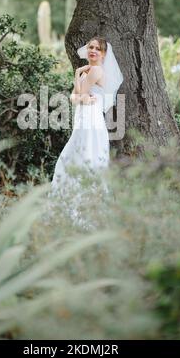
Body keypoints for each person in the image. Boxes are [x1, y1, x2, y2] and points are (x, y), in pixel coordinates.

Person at [44, 37, 124, 231]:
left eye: (98, 49)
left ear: (103, 54)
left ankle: (83, 212)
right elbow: (74, 98)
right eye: (91, 47)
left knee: (78, 160)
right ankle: (73, 208)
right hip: (84, 121)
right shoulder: (87, 71)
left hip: (90, 123)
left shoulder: (95, 70)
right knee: (77, 160)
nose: (93, 51)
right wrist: (79, 76)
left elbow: (78, 95)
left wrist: (78, 79)